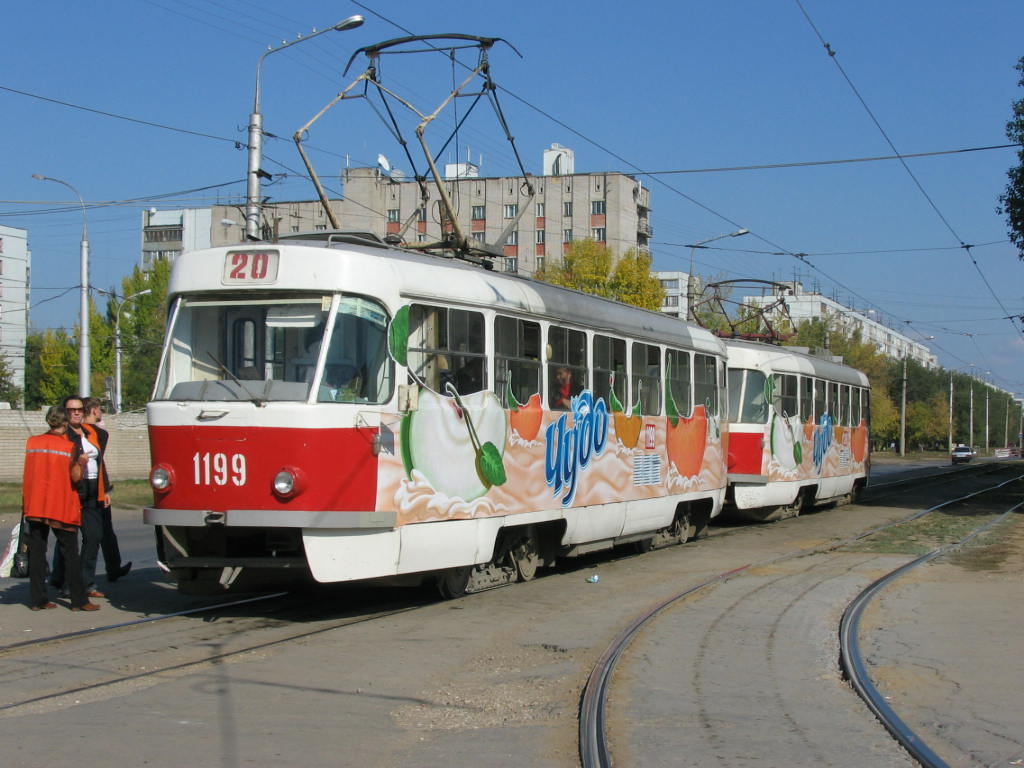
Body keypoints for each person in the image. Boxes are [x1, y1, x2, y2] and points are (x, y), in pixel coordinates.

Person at [23, 406, 99, 612]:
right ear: (65, 423)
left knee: (37, 554)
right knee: (71, 555)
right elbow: (74, 477)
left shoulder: (32, 443)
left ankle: (38, 600)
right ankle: (79, 600)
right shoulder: (68, 447)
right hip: (60, 505)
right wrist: (82, 463)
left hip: (35, 504)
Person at [49, 395, 109, 599]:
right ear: (64, 413)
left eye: (79, 409)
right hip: (72, 491)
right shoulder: (61, 436)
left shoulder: (91, 432)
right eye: (71, 409)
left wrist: (106, 490)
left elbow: (101, 463)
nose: (76, 412)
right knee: (69, 540)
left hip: (93, 491)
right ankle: (69, 583)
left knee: (93, 537)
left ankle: (86, 582)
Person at [83, 397, 131, 582]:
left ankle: (59, 574)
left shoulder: (77, 432)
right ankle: (113, 567)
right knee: (104, 530)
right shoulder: (100, 434)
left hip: (83, 485)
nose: (101, 412)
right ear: (94, 410)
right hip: (98, 485)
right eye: (99, 409)